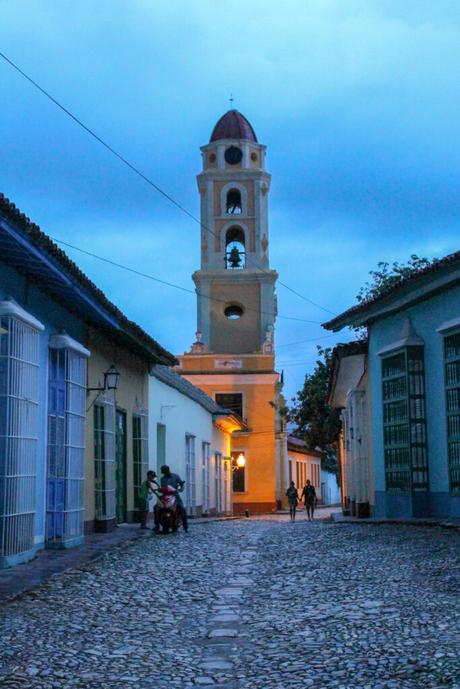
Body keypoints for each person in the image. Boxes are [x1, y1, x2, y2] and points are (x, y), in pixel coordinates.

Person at [154, 464, 188, 533]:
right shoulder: (162, 478)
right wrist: (159, 489)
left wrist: (181, 489)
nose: (164, 473)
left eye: (165, 472)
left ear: (168, 470)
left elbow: (181, 484)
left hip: (175, 495)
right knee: (156, 507)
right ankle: (156, 525)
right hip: (165, 496)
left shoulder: (176, 476)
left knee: (182, 508)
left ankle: (185, 526)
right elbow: (163, 487)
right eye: (163, 472)